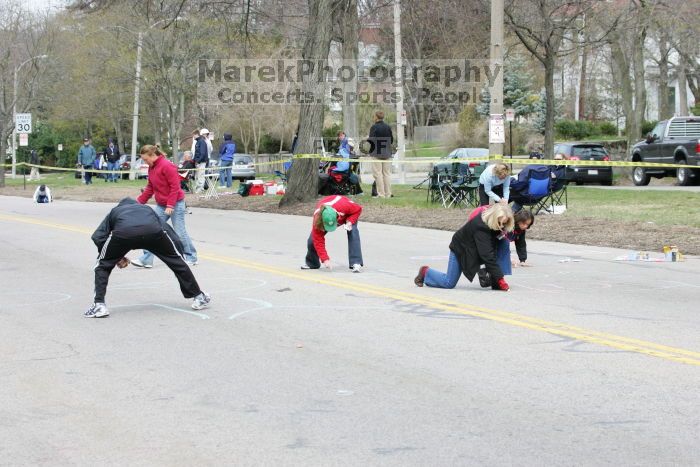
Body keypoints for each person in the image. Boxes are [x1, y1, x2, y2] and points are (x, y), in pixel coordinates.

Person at [86, 198, 210, 318]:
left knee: (102, 266)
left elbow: (98, 237)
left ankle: (99, 305)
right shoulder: (146, 209)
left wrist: (115, 257)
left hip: (124, 234)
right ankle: (199, 297)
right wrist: (178, 257)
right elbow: (170, 232)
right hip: (153, 233)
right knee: (177, 263)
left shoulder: (115, 211)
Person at [414, 203, 514, 291]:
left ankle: (494, 280)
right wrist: (500, 279)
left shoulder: (497, 223)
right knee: (448, 283)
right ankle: (425, 272)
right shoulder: (481, 227)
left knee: (504, 242)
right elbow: (487, 255)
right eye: (500, 222)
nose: (502, 226)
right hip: (461, 249)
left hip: (476, 249)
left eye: (504, 223)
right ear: (493, 217)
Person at [130, 145, 198, 268]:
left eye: (146, 159)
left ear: (152, 155)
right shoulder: (152, 168)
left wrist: (170, 205)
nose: (145, 162)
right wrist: (138, 203)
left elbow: (175, 188)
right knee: (151, 230)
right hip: (162, 205)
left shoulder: (167, 166)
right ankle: (146, 259)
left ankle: (191, 257)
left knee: (179, 232)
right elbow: (150, 188)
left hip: (176, 204)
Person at [468, 206, 533, 287]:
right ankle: (486, 272)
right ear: (518, 220)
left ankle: (496, 277)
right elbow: (496, 241)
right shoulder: (507, 222)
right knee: (491, 247)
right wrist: (509, 258)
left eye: (528, 224)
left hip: (495, 231)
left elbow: (521, 244)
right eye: (524, 223)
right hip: (478, 218)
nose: (526, 226)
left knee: (500, 246)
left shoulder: (521, 229)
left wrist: (522, 260)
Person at [301, 195, 364, 273]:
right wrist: (325, 259)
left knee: (353, 231)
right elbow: (318, 240)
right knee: (312, 240)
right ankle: (312, 263)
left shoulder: (345, 206)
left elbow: (358, 209)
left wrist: (350, 221)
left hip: (348, 215)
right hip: (327, 217)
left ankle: (356, 262)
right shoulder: (317, 218)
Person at [368, 110, 393, 198]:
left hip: (376, 153)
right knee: (386, 174)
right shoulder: (388, 127)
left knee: (378, 174)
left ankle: (381, 194)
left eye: (374, 116)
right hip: (387, 153)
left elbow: (371, 140)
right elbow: (391, 140)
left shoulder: (374, 127)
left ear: (376, 117)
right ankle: (388, 194)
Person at [193, 128, 210, 193]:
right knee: (197, 176)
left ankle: (200, 189)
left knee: (201, 176)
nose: (193, 137)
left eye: (194, 135)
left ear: (197, 134)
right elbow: (196, 153)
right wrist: (194, 160)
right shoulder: (198, 142)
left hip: (201, 162)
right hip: (198, 162)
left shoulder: (202, 142)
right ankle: (198, 189)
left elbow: (202, 153)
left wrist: (198, 161)